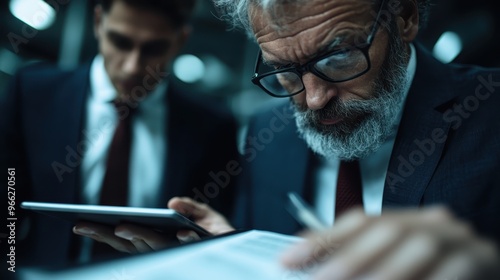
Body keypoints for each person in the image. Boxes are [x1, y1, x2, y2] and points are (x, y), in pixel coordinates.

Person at [69, 0, 500, 279]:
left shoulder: (490, 113)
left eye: (338, 57)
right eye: (284, 73)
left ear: (404, 17)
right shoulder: (266, 136)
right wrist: (229, 252)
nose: (313, 99)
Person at [0, 0, 238, 268]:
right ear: (98, 22)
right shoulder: (33, 94)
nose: (132, 67)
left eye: (153, 49)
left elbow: (218, 228)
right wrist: (9, 268)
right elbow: (8, 204)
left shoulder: (212, 125)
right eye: (120, 42)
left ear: (181, 40)